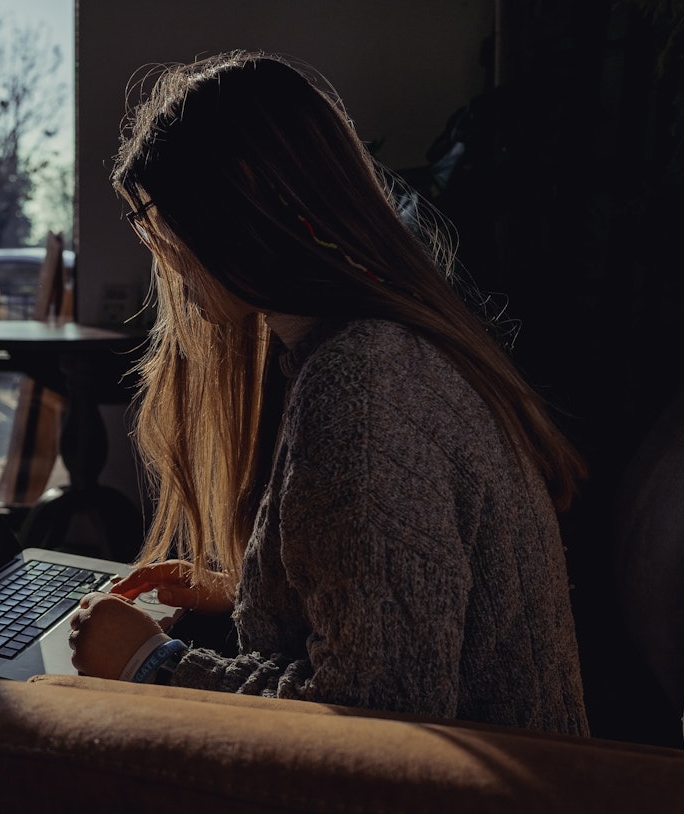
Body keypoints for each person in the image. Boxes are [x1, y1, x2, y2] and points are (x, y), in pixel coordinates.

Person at [67, 50, 590, 736]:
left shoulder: (363, 388)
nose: (165, 254)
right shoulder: (373, 350)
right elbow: (399, 609)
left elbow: (378, 722)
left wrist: (150, 663)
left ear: (241, 204)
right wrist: (249, 594)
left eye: (164, 220)